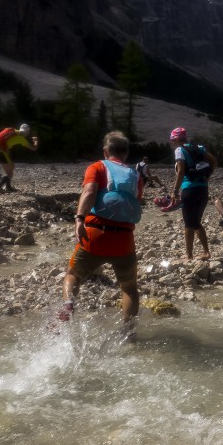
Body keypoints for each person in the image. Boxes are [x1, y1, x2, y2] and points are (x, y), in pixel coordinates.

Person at [59, 131, 144, 334]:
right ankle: (128, 333)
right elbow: (136, 203)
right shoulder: (136, 176)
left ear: (106, 151)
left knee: (73, 275)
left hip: (95, 234)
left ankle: (69, 305)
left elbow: (89, 192)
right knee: (129, 288)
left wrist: (79, 218)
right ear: (126, 153)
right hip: (124, 238)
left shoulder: (98, 166)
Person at [170, 126, 217, 261]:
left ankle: (189, 255)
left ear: (177, 139)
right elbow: (214, 161)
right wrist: (207, 176)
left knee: (189, 223)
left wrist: (175, 191)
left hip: (189, 189)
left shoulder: (179, 150)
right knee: (196, 222)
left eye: (172, 140)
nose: (172, 143)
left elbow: (181, 171)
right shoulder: (200, 148)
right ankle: (206, 252)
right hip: (203, 189)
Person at [0, 123, 39, 193]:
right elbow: (34, 148)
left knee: (12, 166)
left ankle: (8, 187)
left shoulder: (14, 131)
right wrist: (36, 141)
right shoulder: (21, 139)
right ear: (28, 132)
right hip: (1, 151)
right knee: (10, 174)